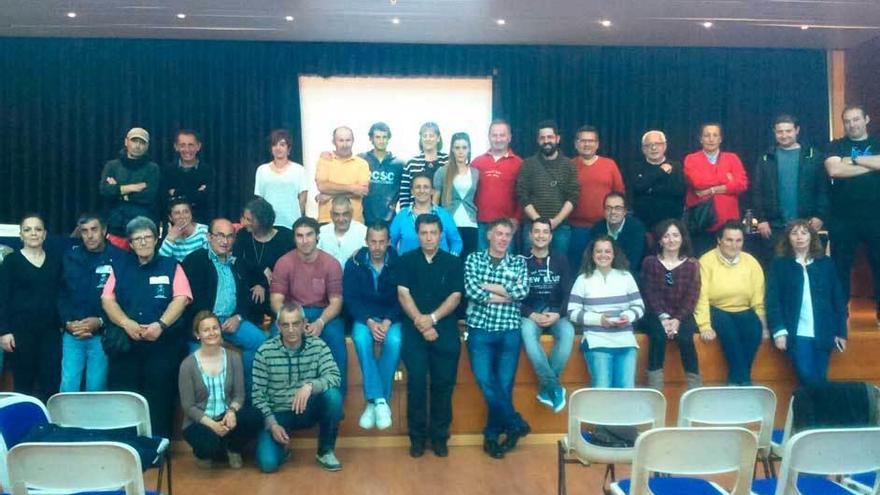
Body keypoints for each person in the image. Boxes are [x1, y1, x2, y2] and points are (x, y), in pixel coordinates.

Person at [101, 216, 192, 437]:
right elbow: (107, 299)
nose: (143, 242)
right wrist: (126, 323)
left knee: (160, 395)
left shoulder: (171, 266)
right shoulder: (119, 267)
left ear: (156, 239)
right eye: (137, 239)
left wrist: (161, 325)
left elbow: (182, 297)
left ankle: (159, 445)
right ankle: (127, 444)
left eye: (147, 237)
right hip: (127, 343)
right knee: (126, 395)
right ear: (130, 244)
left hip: (162, 342)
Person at [396, 214, 464, 458]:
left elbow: (455, 297)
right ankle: (417, 438)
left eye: (433, 233)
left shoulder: (453, 263)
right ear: (417, 234)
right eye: (423, 233)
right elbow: (403, 294)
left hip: (444, 327)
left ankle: (439, 437)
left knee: (443, 385)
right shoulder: (405, 261)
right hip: (413, 327)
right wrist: (422, 323)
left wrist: (432, 319)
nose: (428, 237)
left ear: (441, 234)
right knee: (416, 384)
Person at [464, 218, 530, 459]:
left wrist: (490, 287)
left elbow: (522, 292)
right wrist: (507, 294)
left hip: (509, 330)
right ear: (489, 235)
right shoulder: (473, 259)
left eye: (507, 235)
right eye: (498, 234)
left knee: (503, 385)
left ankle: (492, 436)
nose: (503, 239)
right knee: (484, 380)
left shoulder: (518, 263)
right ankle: (514, 421)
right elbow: (471, 290)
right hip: (480, 330)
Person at [252, 303, 343, 472]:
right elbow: (258, 395)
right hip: (278, 415)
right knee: (268, 465)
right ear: (278, 327)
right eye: (286, 325)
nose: (291, 329)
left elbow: (334, 376)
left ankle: (325, 451)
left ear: (304, 323)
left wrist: (310, 385)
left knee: (333, 396)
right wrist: (272, 424)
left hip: (308, 409)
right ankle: (282, 451)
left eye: (296, 323)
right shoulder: (264, 352)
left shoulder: (318, 346)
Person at [181, 218, 266, 393]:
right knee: (201, 363)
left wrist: (259, 286)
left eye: (229, 236)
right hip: (203, 324)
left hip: (232, 321)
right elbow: (188, 303)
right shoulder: (195, 261)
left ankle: (247, 392)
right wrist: (213, 328)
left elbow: (257, 276)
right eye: (219, 236)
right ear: (208, 237)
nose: (225, 241)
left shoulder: (238, 262)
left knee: (261, 342)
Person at [269, 216, 347, 392]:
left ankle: (337, 398)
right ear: (294, 238)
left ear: (318, 237)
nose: (304, 241)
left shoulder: (331, 263)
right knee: (273, 339)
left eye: (309, 235)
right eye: (299, 236)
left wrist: (320, 322)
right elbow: (276, 300)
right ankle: (277, 395)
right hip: (293, 312)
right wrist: (292, 321)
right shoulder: (284, 262)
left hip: (323, 313)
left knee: (336, 339)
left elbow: (336, 302)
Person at [766, 220, 847, 386]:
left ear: (812, 237)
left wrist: (841, 332)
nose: (799, 237)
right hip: (797, 333)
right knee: (808, 377)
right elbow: (773, 300)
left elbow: (837, 300)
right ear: (788, 238)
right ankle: (820, 411)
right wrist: (778, 330)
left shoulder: (826, 264)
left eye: (804, 233)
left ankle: (814, 412)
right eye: (794, 233)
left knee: (819, 378)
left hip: (823, 332)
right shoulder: (779, 264)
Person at [178, 311, 262, 469]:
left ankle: (233, 449)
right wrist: (212, 425)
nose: (211, 333)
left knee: (256, 416)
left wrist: (231, 411)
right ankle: (208, 452)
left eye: (215, 328)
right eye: (206, 330)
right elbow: (188, 407)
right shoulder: (187, 365)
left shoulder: (233, 358)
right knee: (209, 445)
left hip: (226, 416)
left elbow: (239, 395)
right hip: (201, 420)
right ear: (197, 335)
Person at [824, 104, 880, 323]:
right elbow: (835, 170)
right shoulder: (835, 146)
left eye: (856, 119)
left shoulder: (876, 142)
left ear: (866, 119)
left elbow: (845, 167)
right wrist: (873, 164)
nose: (851, 124)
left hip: (876, 216)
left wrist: (854, 160)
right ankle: (840, 312)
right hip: (842, 217)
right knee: (840, 266)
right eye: (847, 121)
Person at [343, 223, 402, 430]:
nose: (377, 247)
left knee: (395, 341)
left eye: (381, 242)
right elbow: (350, 299)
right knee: (360, 339)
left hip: (391, 318)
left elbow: (402, 298)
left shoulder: (399, 262)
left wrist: (387, 321)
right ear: (366, 242)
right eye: (373, 242)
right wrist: (368, 320)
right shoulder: (353, 263)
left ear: (388, 242)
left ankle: (374, 401)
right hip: (364, 317)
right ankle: (380, 400)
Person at [750, 115, 829, 267]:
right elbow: (757, 191)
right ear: (774, 132)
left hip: (806, 224)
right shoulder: (766, 158)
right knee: (776, 269)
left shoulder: (813, 156)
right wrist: (761, 219)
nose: (784, 135)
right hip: (774, 227)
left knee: (807, 269)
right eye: (780, 132)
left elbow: (823, 188)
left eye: (788, 131)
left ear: (797, 131)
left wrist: (820, 215)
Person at [695, 220, 767, 386]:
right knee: (730, 335)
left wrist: (763, 326)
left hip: (744, 309)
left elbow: (758, 297)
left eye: (738, 240)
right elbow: (701, 297)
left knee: (754, 331)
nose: (734, 245)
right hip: (717, 308)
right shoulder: (705, 261)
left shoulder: (751, 262)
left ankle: (735, 380)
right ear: (719, 240)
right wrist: (704, 325)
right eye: (729, 240)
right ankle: (745, 381)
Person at [58, 213, 124, 392]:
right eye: (84, 231)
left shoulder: (120, 258)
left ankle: (93, 421)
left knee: (96, 386)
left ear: (104, 230)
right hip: (73, 332)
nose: (89, 235)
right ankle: (64, 421)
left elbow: (123, 297)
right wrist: (67, 323)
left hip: (103, 334)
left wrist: (100, 321)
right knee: (68, 385)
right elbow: (62, 293)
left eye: (94, 230)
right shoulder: (70, 257)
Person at [567, 235, 644, 389]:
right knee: (602, 391)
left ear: (614, 254)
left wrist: (627, 316)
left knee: (626, 391)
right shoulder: (583, 280)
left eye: (607, 251)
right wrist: (598, 320)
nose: (603, 255)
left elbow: (639, 307)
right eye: (599, 251)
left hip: (626, 343)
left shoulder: (626, 276)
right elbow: (572, 312)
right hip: (596, 342)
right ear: (592, 254)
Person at [0, 214, 62, 401]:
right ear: (21, 235)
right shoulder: (11, 262)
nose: (33, 233)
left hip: (50, 334)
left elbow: (61, 295)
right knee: (23, 384)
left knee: (51, 383)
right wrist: (3, 332)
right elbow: (2, 298)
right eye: (28, 229)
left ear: (44, 234)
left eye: (38, 229)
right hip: (20, 334)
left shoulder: (55, 261)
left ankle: (49, 428)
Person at [640, 219, 702, 391]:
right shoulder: (650, 262)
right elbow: (649, 292)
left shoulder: (692, 265)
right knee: (658, 337)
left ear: (682, 238)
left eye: (675, 235)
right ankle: (655, 389)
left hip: (682, 314)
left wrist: (677, 319)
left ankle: (695, 389)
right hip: (655, 313)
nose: (671, 240)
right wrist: (664, 317)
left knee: (685, 338)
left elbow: (692, 295)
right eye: (666, 236)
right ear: (660, 240)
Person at [519, 218, 573, 413]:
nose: (541, 235)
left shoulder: (561, 259)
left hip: (555, 311)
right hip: (530, 312)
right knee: (526, 332)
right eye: (537, 231)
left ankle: (546, 387)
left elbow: (569, 293)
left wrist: (558, 314)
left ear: (551, 237)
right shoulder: (519, 261)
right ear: (530, 235)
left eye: (545, 232)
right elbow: (514, 296)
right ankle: (554, 386)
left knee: (568, 333)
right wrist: (530, 314)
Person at [683, 123, 749, 255]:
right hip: (702, 223)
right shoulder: (691, 159)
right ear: (701, 139)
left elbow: (742, 184)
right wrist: (726, 179)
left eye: (715, 135)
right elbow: (698, 183)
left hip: (728, 223)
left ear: (720, 139)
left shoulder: (732, 158)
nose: (711, 139)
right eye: (707, 135)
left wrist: (711, 190)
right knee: (702, 263)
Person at [516, 120, 579, 254]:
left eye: (550, 137)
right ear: (538, 140)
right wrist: (539, 222)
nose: (546, 141)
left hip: (560, 227)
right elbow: (522, 195)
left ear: (557, 138)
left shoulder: (569, 165)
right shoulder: (528, 164)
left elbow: (573, 196)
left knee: (558, 267)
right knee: (530, 267)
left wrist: (555, 221)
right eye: (542, 138)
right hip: (532, 227)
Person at [568, 125, 625, 270]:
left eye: (591, 141)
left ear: (597, 144)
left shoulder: (609, 165)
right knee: (577, 268)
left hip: (605, 228)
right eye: (582, 140)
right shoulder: (568, 166)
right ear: (576, 144)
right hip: (576, 228)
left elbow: (619, 194)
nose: (587, 144)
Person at [232, 197, 294, 321]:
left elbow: (290, 270)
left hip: (281, 292)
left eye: (249, 220)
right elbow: (238, 262)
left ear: (262, 221)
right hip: (252, 290)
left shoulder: (286, 237)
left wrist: (263, 285)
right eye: (244, 218)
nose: (243, 223)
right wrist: (260, 274)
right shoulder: (243, 235)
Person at [99, 127, 161, 238]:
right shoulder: (112, 166)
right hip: (115, 223)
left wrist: (119, 191)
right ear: (126, 142)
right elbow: (104, 190)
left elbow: (149, 196)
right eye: (134, 141)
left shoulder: (152, 168)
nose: (137, 146)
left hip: (142, 224)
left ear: (147, 146)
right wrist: (133, 187)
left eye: (142, 142)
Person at [472, 119, 523, 250]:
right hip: (481, 224)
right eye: (494, 135)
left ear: (509, 137)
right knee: (482, 264)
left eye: (502, 135)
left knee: (504, 266)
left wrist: (516, 219)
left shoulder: (519, 164)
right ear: (489, 137)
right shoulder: (477, 163)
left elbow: (524, 195)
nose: (498, 139)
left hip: (506, 226)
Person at [433, 132, 480, 258]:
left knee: (468, 262)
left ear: (469, 149)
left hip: (470, 224)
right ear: (452, 149)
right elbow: (435, 201)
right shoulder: (442, 171)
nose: (461, 152)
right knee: (449, 262)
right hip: (449, 222)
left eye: (464, 148)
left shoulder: (475, 173)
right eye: (457, 148)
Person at [390, 174, 462, 255]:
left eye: (426, 187)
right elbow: (391, 243)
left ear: (432, 191)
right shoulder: (402, 216)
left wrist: (450, 261)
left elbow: (456, 243)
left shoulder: (444, 215)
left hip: (439, 266)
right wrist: (396, 262)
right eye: (418, 187)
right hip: (408, 266)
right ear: (412, 191)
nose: (422, 190)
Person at [630, 130, 686, 233]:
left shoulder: (676, 166)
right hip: (644, 226)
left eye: (658, 144)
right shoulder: (636, 167)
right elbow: (637, 188)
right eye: (649, 145)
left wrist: (650, 188)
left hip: (670, 225)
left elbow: (679, 191)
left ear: (665, 146)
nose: (653, 148)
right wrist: (661, 172)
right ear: (643, 149)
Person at [253, 129, 308, 229]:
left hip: (292, 223)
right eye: (274, 145)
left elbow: (303, 199)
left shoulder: (299, 170)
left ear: (289, 148)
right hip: (268, 225)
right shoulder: (262, 170)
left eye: (282, 145)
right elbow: (260, 200)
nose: (278, 148)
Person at [315, 126, 371, 224]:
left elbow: (362, 191)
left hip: (354, 221)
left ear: (353, 141)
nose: (345, 144)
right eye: (341, 140)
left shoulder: (362, 164)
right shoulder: (325, 160)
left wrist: (330, 195)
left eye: (348, 140)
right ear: (333, 142)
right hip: (327, 220)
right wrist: (352, 187)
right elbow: (322, 186)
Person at [589, 192, 647, 275]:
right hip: (601, 273)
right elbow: (592, 258)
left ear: (625, 211)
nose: (613, 212)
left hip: (628, 274)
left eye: (618, 208)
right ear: (604, 211)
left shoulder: (637, 229)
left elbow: (634, 261)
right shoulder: (597, 229)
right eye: (608, 208)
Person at [162, 129, 213, 222]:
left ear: (198, 146)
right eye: (182, 145)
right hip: (173, 222)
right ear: (176, 147)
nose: (187, 150)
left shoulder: (208, 171)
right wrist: (196, 193)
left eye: (191, 145)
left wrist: (176, 193)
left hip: (200, 221)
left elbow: (207, 201)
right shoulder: (167, 170)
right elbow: (164, 201)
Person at [360, 122, 405, 225]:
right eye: (378, 137)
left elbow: (406, 190)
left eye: (384, 137)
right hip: (364, 218)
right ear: (371, 139)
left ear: (389, 138)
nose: (381, 141)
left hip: (389, 219)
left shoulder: (399, 164)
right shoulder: (361, 160)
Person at [399, 122, 448, 209]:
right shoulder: (411, 163)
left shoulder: (447, 161)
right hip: (416, 215)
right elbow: (404, 194)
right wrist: (406, 215)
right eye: (425, 136)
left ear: (438, 138)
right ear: (421, 139)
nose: (428, 139)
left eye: (431, 136)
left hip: (443, 212)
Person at [317, 196, 367, 267]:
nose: (341, 219)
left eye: (345, 214)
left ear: (352, 213)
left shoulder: (363, 232)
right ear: (331, 214)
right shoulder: (322, 232)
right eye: (336, 214)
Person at [158, 197, 208, 262]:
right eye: (177, 213)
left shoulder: (204, 231)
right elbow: (161, 262)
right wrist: (170, 238)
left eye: (186, 212)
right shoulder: (170, 236)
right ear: (170, 217)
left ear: (191, 214)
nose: (182, 216)